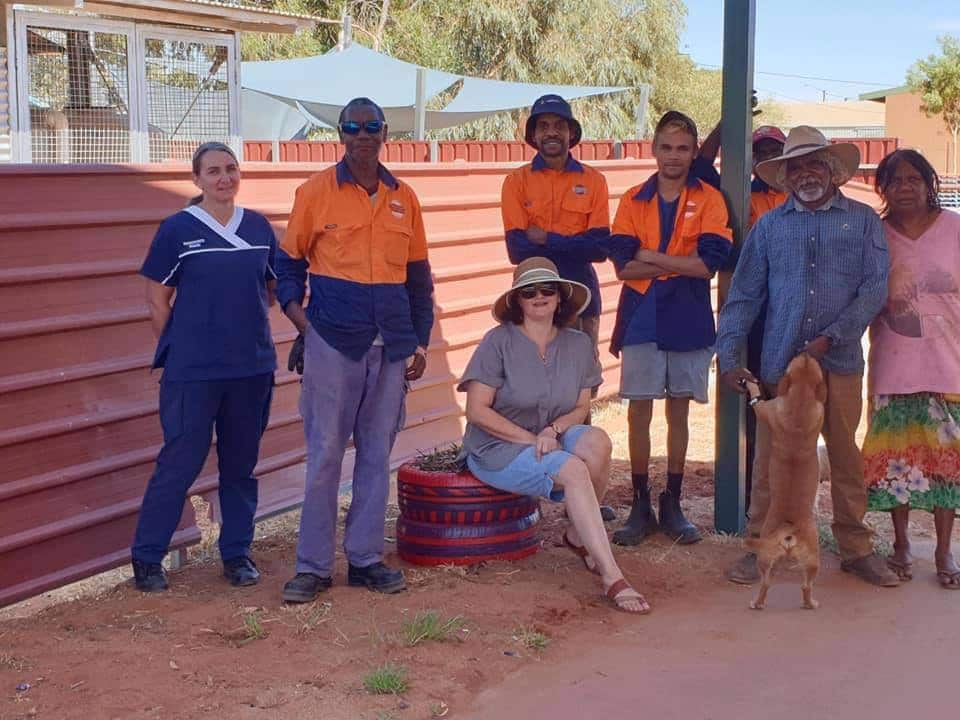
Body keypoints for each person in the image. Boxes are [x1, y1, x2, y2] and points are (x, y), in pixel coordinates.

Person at [716, 125, 899, 588]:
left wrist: (833, 336)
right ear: (784, 178)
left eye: (813, 164)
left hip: (838, 363)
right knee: (771, 461)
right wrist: (729, 354)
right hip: (781, 363)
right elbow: (744, 296)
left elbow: (874, 288)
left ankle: (856, 549)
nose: (804, 174)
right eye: (794, 168)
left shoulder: (862, 221)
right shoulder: (770, 226)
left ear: (833, 170)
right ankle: (760, 545)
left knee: (843, 455)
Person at [276, 97, 434, 603]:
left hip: (391, 345)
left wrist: (420, 340)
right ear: (340, 133)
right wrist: (305, 325)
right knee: (324, 455)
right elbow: (287, 269)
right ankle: (313, 567)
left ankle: (365, 559)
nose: (363, 134)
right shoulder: (315, 192)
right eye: (352, 126)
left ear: (386, 132)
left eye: (372, 127)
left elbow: (418, 279)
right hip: (333, 342)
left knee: (376, 455)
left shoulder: (403, 197)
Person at [458, 257, 649, 614]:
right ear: (517, 301)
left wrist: (552, 431)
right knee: (573, 469)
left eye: (548, 289)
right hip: (498, 447)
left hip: (551, 435)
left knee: (597, 442)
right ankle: (611, 575)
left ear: (561, 298)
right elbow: (477, 411)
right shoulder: (497, 342)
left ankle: (578, 535)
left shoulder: (578, 345)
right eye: (529, 291)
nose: (540, 296)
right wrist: (533, 441)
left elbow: (580, 406)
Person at [131, 142, 277, 592]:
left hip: (251, 368)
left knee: (240, 466)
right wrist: (184, 346)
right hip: (192, 373)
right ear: (197, 179)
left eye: (231, 169)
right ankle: (148, 558)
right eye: (213, 171)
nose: (224, 178)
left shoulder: (257, 227)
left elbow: (270, 290)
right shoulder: (177, 230)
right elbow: (157, 300)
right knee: (179, 462)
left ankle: (236, 555)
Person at [605, 111, 733, 546]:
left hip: (690, 315)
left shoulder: (710, 199)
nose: (674, 156)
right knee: (638, 410)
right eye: (666, 147)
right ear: (654, 149)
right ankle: (639, 503)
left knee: (679, 410)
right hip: (641, 313)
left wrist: (652, 257)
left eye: (683, 148)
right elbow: (623, 266)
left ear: (694, 151)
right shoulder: (633, 199)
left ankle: (672, 501)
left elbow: (706, 265)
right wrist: (678, 263)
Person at [862, 149, 960, 589]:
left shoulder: (956, 229)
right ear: (882, 189)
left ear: (929, 183)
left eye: (912, 179)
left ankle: (943, 550)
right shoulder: (874, 236)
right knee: (895, 466)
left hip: (950, 364)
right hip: (892, 366)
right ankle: (900, 544)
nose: (904, 188)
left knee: (947, 466)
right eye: (894, 181)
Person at [695, 123, 788, 511]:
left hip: (790, 309)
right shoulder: (740, 194)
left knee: (787, 394)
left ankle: (784, 489)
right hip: (753, 307)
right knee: (754, 394)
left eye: (774, 151)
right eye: (760, 153)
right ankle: (752, 490)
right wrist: (722, 127)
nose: (767, 159)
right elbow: (700, 169)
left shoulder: (801, 196)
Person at [501, 94, 609, 353]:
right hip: (532, 300)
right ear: (534, 135)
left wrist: (546, 239)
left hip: (581, 302)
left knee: (581, 382)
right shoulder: (516, 182)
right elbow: (517, 250)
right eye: (544, 126)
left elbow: (599, 249)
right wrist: (574, 244)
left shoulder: (595, 181)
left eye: (559, 126)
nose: (552, 133)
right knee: (533, 381)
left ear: (571, 133)